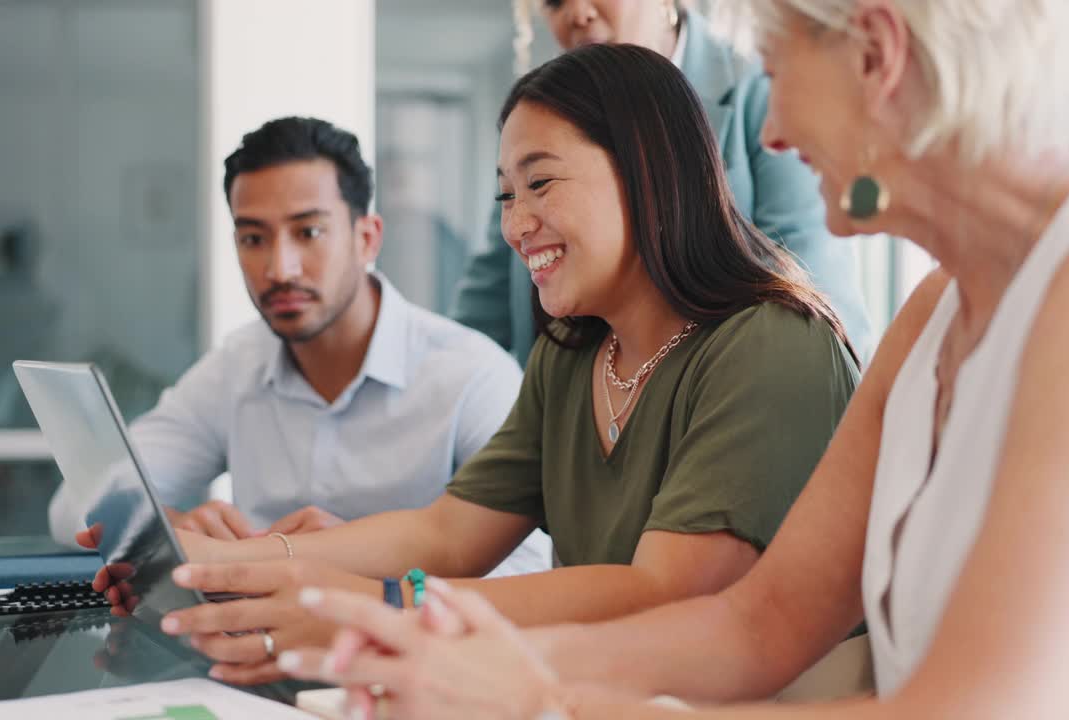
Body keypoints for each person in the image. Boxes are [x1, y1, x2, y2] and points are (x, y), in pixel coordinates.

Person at [281, 3, 1069, 718]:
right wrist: (460, 657)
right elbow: (760, 623)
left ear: (876, 55)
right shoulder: (932, 313)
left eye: (776, 72)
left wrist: (544, 700)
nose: (771, 128)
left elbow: (973, 710)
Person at [118, 36, 860, 688]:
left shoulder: (771, 343)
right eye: (505, 194)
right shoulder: (573, 356)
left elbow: (666, 592)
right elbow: (446, 534)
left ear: (647, 172)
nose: (515, 223)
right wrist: (235, 563)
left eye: (540, 183)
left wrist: (379, 609)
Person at [51, 116, 550, 577]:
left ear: (367, 239)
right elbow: (75, 503)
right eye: (253, 239)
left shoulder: (470, 374)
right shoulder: (235, 368)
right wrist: (169, 526)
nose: (279, 268)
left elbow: (532, 569)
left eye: (308, 232)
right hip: (257, 649)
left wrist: (360, 562)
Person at [452, 0, 875, 365]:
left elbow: (810, 291)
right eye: (555, 2)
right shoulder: (536, 129)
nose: (577, 13)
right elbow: (483, 311)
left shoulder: (764, 98)